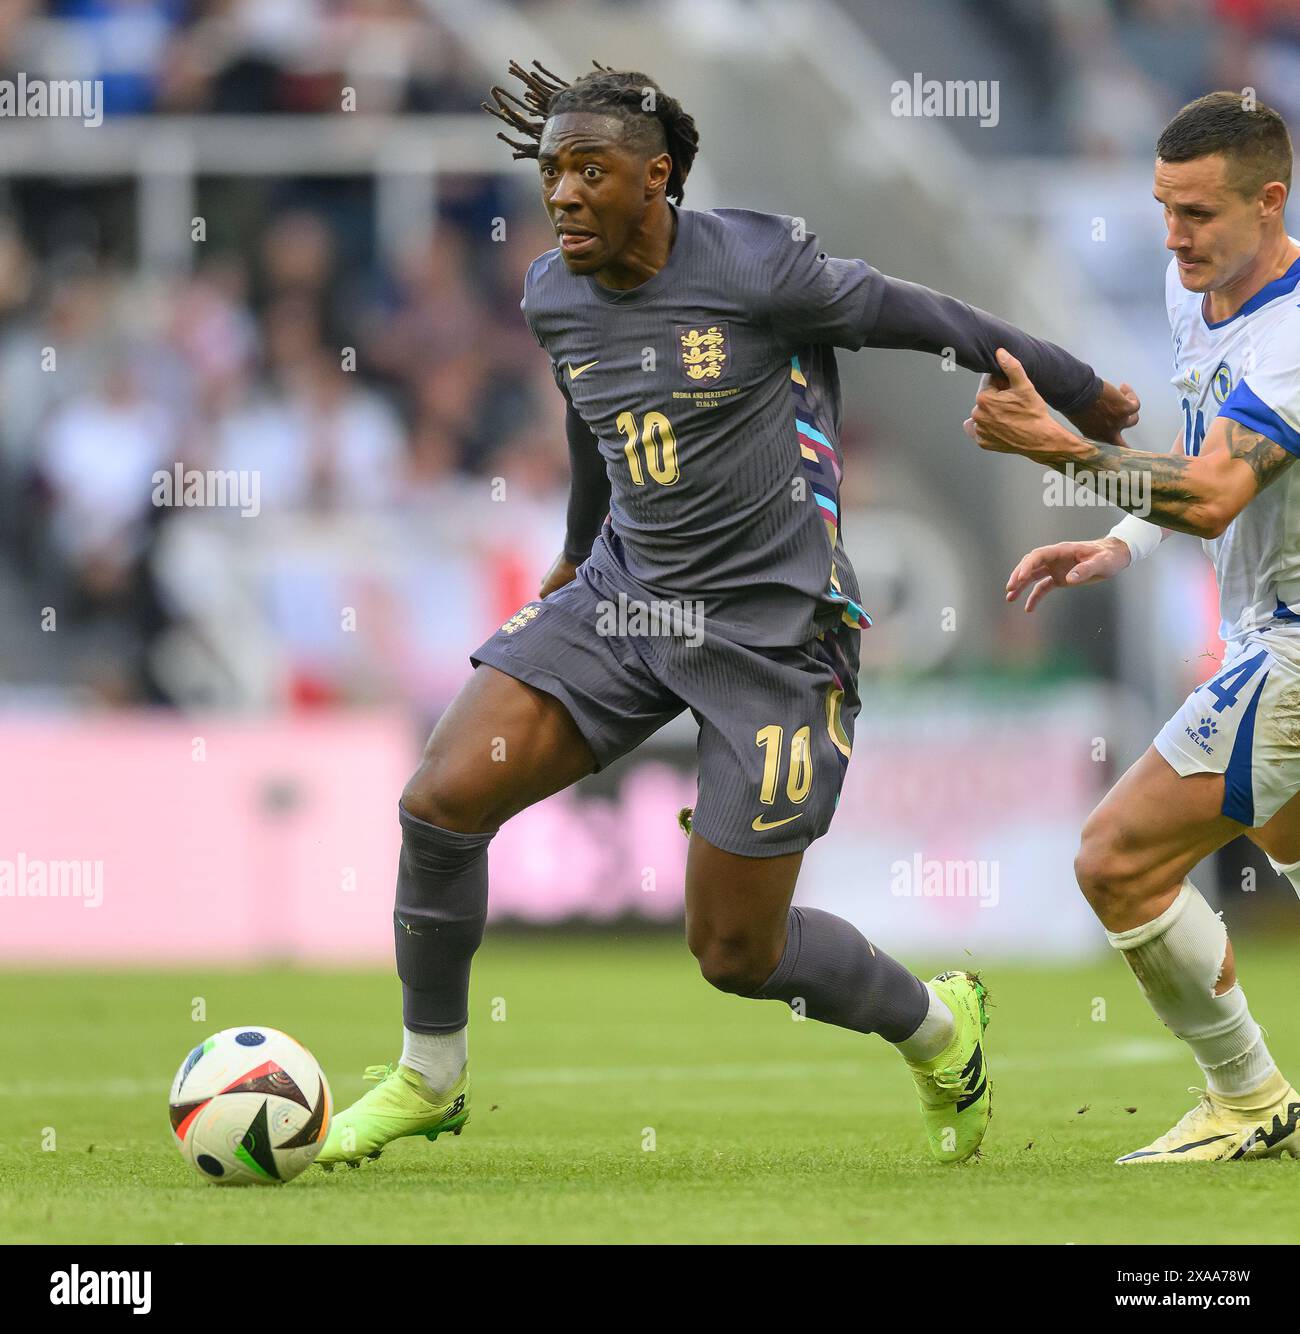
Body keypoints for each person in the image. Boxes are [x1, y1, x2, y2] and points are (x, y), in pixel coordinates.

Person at [318, 59, 1138, 1170]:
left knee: (735, 951)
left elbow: (928, 316)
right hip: (625, 599)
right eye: (552, 170)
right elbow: (592, 416)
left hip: (776, 635)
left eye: (588, 171)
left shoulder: (761, 265)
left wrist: (1077, 387)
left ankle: (938, 1026)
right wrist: (569, 553)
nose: (560, 193)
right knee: (441, 797)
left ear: (655, 178)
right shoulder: (553, 292)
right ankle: (429, 1073)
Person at [967, 91, 1300, 1163]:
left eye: (1197, 212)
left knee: (1115, 857)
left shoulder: (1295, 332)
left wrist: (1053, 448)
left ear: (1269, 202)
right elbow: (1199, 451)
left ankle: (1249, 1098)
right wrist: (1120, 539)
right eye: (1162, 207)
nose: (1172, 234)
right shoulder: (1186, 286)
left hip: (1292, 643)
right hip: (1260, 624)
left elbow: (1210, 494)